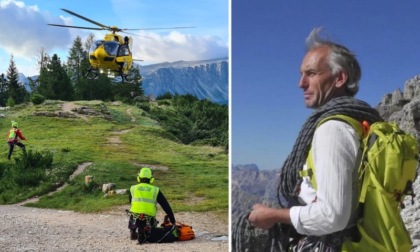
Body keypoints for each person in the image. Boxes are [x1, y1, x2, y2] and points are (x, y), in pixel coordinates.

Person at [247, 27, 383, 250]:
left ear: (339, 78)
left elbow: (332, 216)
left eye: (311, 73)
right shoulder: (360, 122)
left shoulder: (333, 129)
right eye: (302, 74)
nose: (301, 83)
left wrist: (272, 215)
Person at [128, 167, 176, 243]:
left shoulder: (133, 188)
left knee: (133, 212)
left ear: (138, 178)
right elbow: (166, 206)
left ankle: (133, 230)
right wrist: (173, 221)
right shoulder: (155, 190)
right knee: (151, 224)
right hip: (148, 220)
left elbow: (131, 202)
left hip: (135, 220)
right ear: (151, 179)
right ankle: (146, 232)